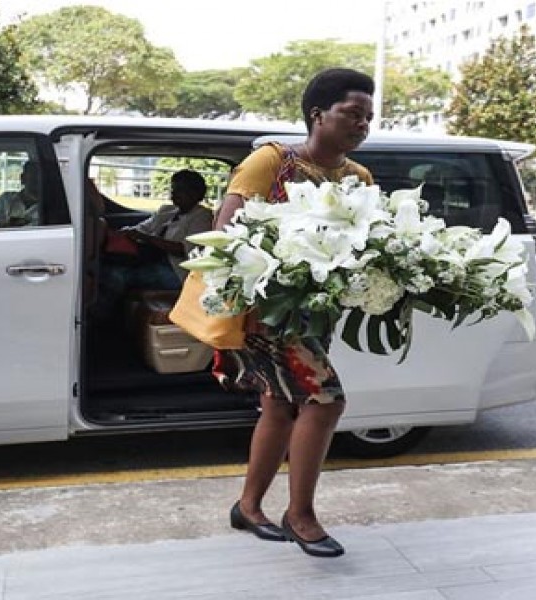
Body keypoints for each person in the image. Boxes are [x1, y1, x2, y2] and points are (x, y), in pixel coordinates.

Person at [214, 68, 375, 558]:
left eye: (368, 117)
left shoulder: (359, 180)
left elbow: (370, 246)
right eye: (353, 114)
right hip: (268, 315)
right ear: (317, 114)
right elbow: (225, 234)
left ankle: (248, 506)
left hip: (315, 318)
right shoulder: (272, 162)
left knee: (280, 406)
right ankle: (299, 515)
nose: (362, 124)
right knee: (326, 402)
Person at [94, 169, 213, 319]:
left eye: (180, 190)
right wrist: (126, 232)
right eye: (173, 189)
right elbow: (143, 227)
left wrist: (147, 238)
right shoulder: (168, 211)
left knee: (117, 276)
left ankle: (101, 321)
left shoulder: (202, 216)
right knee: (106, 268)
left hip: (175, 270)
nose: (173, 194)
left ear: (195, 194)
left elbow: (184, 249)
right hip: (149, 260)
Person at [0, 160, 41, 229]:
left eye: (41, 178)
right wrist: (4, 225)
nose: (38, 182)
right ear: (22, 178)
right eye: (33, 178)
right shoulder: (5, 200)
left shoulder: (53, 206)